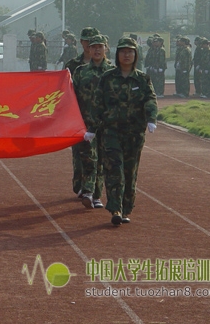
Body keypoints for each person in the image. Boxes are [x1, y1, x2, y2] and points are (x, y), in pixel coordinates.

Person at [88, 37, 158, 226]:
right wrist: (92, 128)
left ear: (135, 55)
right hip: (111, 132)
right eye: (123, 51)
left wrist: (151, 118)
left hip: (134, 133)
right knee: (114, 170)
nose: (126, 55)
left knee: (130, 171)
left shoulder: (142, 79)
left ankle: (126, 208)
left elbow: (150, 99)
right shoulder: (108, 78)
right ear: (117, 54)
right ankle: (115, 208)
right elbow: (97, 104)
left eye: (130, 51)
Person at [72, 34, 113, 210]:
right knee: (88, 158)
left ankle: (96, 195)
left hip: (106, 124)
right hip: (85, 123)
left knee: (102, 159)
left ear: (106, 49)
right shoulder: (81, 72)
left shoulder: (112, 71)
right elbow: (71, 97)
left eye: (100, 47)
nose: (96, 50)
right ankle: (88, 191)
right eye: (93, 47)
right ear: (88, 49)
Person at [65, 27, 99, 197]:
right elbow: (63, 90)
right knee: (79, 154)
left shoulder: (106, 67)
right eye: (86, 41)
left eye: (93, 41)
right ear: (81, 42)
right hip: (77, 116)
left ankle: (92, 190)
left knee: (97, 154)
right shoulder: (72, 65)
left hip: (99, 117)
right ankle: (80, 184)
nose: (89, 44)